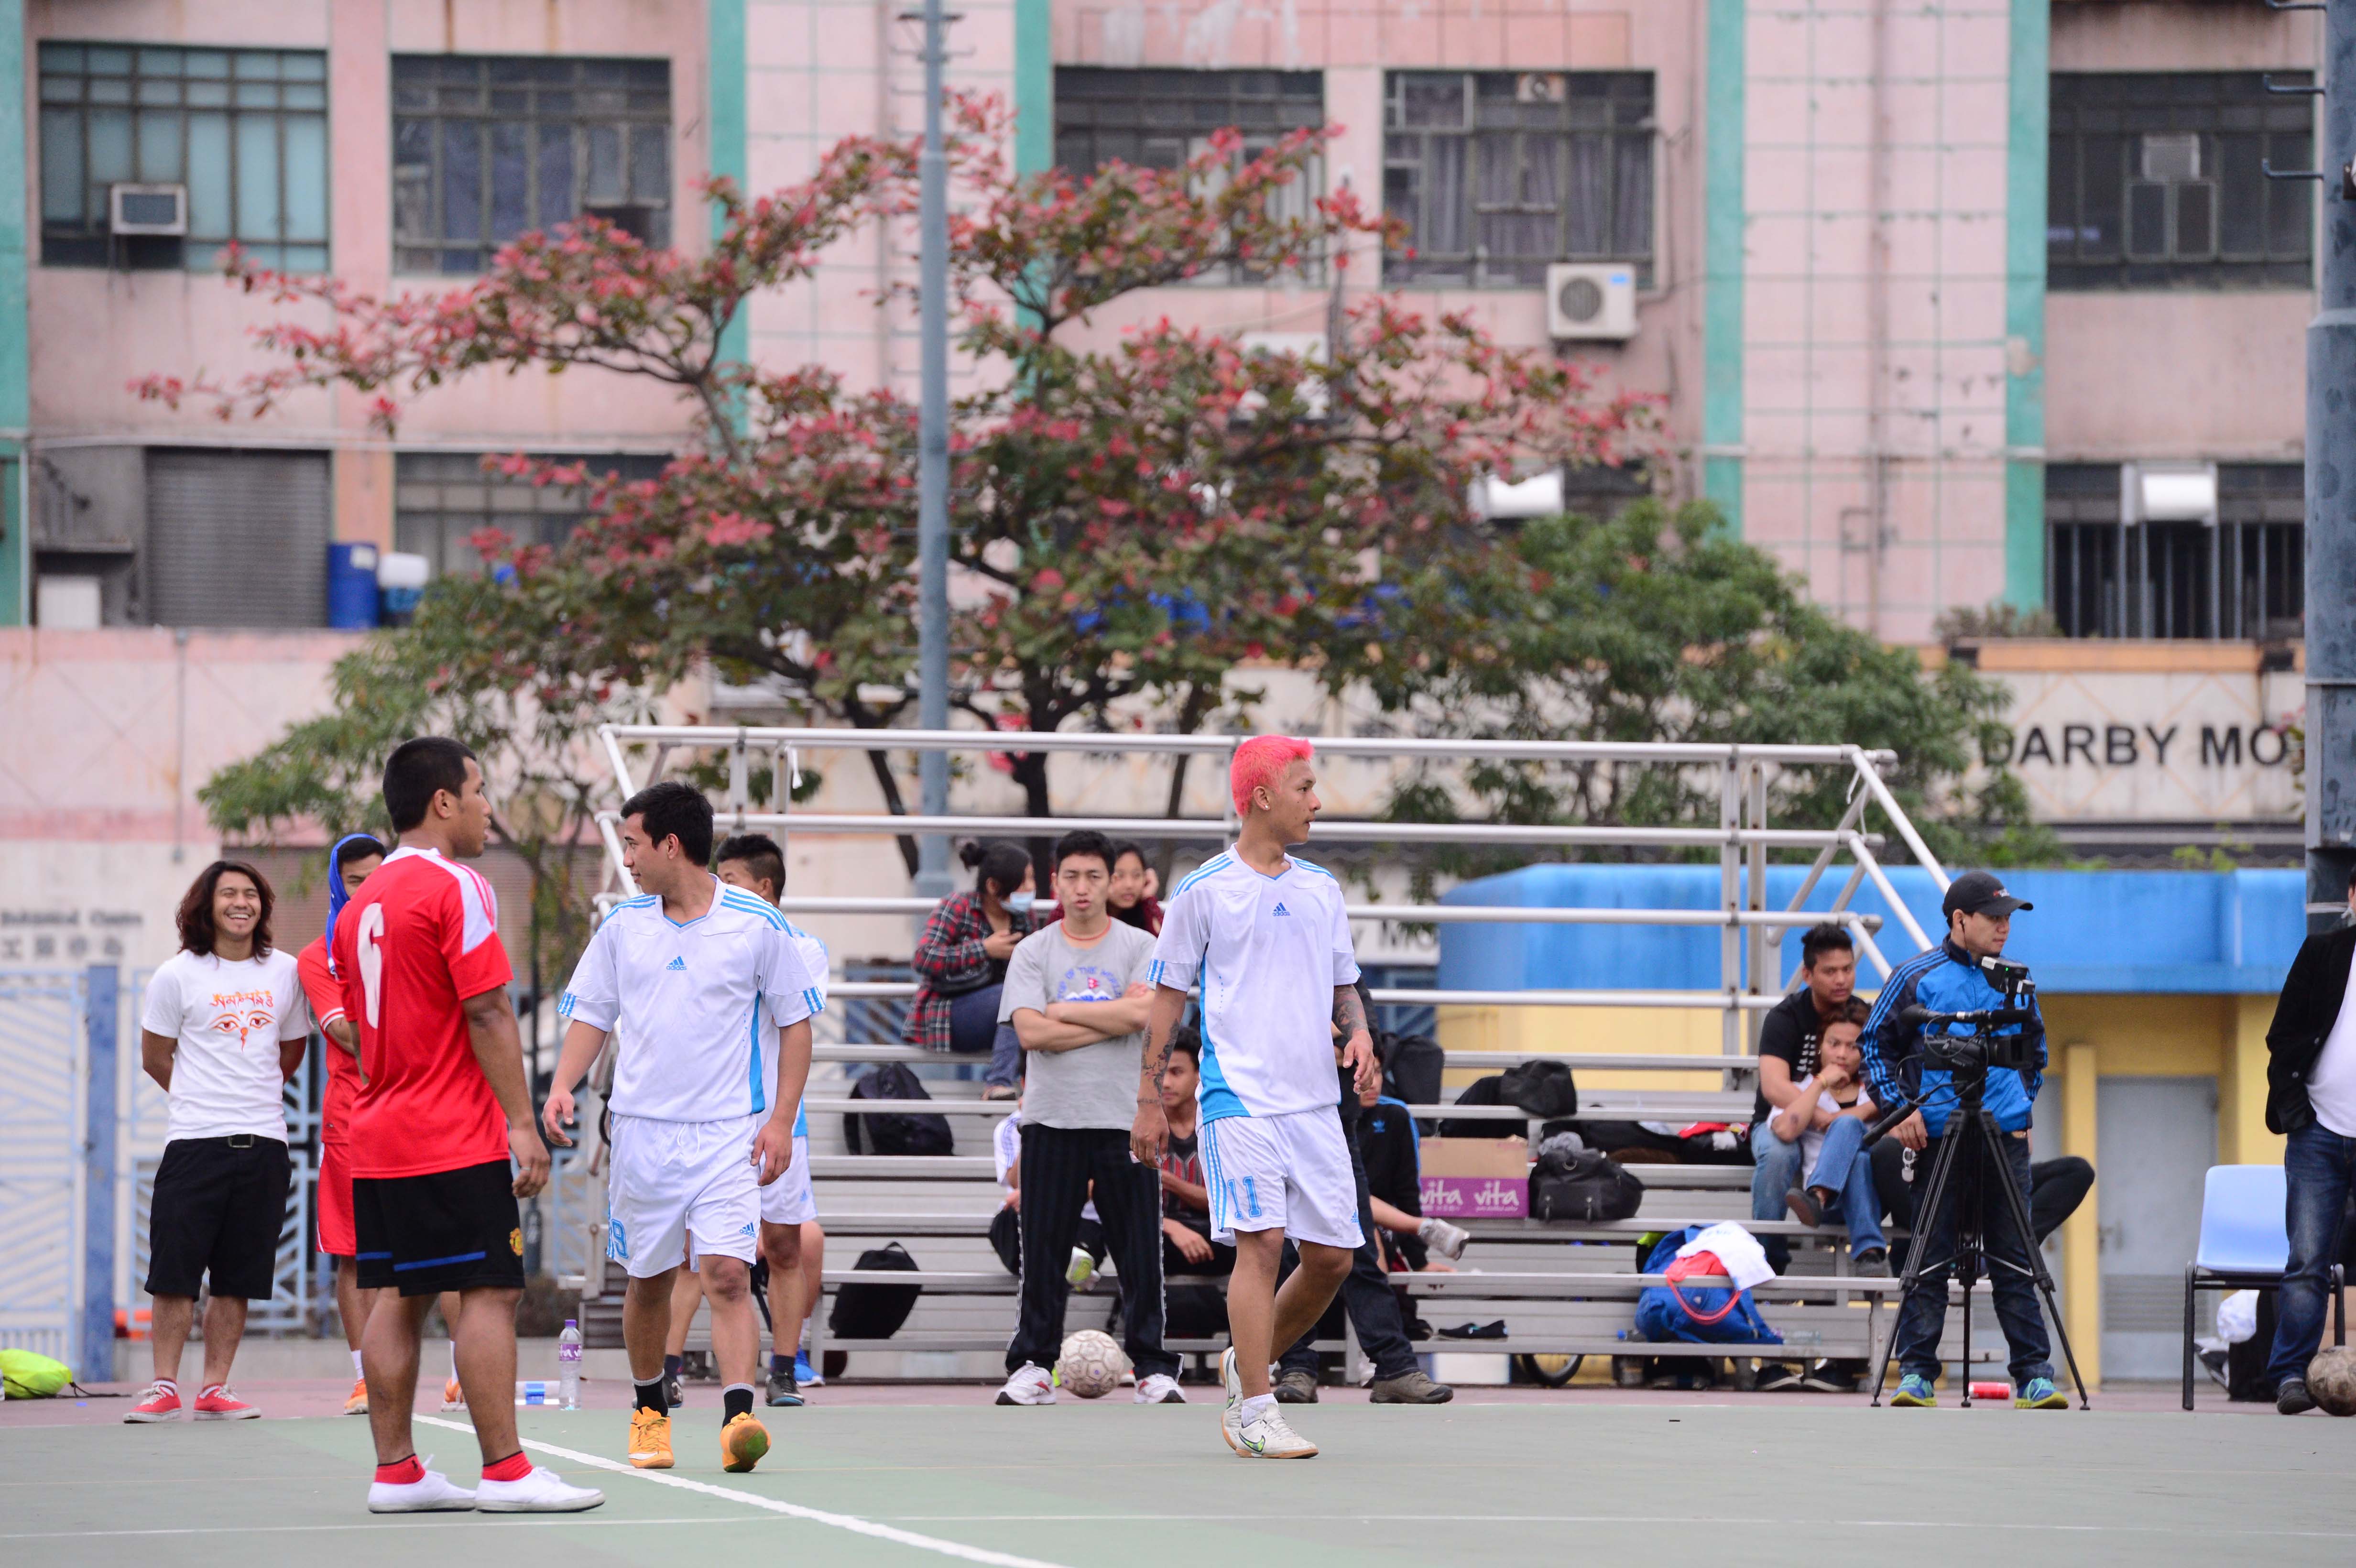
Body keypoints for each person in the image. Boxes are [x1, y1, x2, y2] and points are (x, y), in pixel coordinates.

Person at [336, 737, 598, 1513]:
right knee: (488, 1292)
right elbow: (486, 1009)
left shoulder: (359, 906)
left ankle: (396, 1474)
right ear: (443, 801)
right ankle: (506, 1472)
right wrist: (521, 1123)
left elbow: (360, 1029)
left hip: (378, 1130)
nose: (488, 806)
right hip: (449, 1130)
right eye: (480, 790)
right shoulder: (457, 885)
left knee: (399, 1294)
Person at [544, 781, 819, 1474]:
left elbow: (796, 1024)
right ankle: (649, 1413)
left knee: (727, 1274)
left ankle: (737, 1423)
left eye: (633, 844)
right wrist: (562, 1085)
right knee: (649, 1282)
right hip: (642, 1134)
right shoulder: (623, 926)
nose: (627, 859)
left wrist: (781, 1121)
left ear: (671, 845)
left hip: (729, 1134)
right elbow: (593, 1015)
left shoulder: (758, 924)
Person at [1134, 735, 1377, 1459]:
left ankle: (1246, 1361)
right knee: (1262, 1243)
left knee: (1333, 1258)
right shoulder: (1204, 889)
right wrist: (1148, 1100)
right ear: (1263, 797)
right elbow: (1166, 998)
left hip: (1314, 1102)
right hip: (1235, 1097)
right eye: (1305, 787)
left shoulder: (1320, 888)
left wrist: (1361, 1036)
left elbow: (1342, 983)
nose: (1317, 801)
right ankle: (1255, 1408)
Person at [1858, 871, 2065, 1411]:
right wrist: (1901, 1109)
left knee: (2015, 1256)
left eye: (2007, 918)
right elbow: (1873, 1045)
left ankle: (2035, 1378)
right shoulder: (1914, 975)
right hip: (1939, 1135)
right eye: (1993, 917)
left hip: (2003, 1136)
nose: (2004, 927)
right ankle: (1916, 1377)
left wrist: (2019, 1105)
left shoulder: (2016, 978)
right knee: (1928, 1252)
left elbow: (2035, 1051)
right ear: (1959, 920)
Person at [995, 829, 1184, 1406]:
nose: (1082, 888)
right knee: (1044, 1251)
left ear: (1112, 882)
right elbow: (1030, 1032)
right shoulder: (1033, 950)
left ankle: (1152, 1367)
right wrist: (1112, 1015)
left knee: (1139, 1250)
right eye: (1072, 876)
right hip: (1050, 1118)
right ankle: (1033, 1364)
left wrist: (1061, 1011)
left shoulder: (1139, 945)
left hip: (1124, 1117)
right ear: (1056, 882)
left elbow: (1147, 1015)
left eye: (1094, 877)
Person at [125, 860, 310, 1424]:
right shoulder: (176, 975)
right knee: (174, 1273)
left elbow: (291, 1050)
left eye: (251, 894)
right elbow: (156, 1057)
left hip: (265, 1145)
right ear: (206, 905)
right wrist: (203, 1096)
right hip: (194, 1143)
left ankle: (214, 1388)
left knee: (239, 1276)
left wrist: (252, 1094)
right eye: (228, 893)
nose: (241, 903)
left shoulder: (286, 971)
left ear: (263, 907)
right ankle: (163, 1387)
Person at [296, 834, 468, 1419]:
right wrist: (416, 1027)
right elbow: (347, 1033)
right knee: (356, 1255)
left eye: (376, 877)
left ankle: (463, 1376)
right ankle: (364, 1379)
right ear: (337, 885)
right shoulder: (319, 956)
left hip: (433, 1114)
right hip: (355, 1120)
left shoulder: (421, 935)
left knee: (454, 1250)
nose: (367, 889)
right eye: (355, 880)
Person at [714, 830, 833, 1406]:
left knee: (785, 1246)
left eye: (730, 881)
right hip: (713, 1117)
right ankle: (665, 1372)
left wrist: (782, 1119)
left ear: (764, 887)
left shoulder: (803, 948)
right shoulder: (708, 941)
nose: (720, 892)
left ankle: (784, 1368)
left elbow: (788, 1016)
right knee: (703, 1257)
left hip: (780, 1121)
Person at [2258, 863, 2356, 1415]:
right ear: (2350, 896)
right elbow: (2283, 1034)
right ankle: (2289, 1376)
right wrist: (2296, 1112)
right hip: (2318, 1131)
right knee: (2306, 1260)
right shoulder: (2322, 953)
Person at [1750, 923, 1858, 1267]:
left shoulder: (1861, 1017)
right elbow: (1774, 1087)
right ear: (1808, 975)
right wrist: (1822, 1116)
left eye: (1848, 969)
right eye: (1830, 972)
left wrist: (1842, 1120)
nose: (1841, 979)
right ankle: (1767, 1260)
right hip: (1781, 1121)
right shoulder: (1785, 1018)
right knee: (1778, 1154)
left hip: (1842, 1124)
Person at [906, 840, 1035, 1099]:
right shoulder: (958, 906)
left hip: (1005, 1021)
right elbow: (924, 957)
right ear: (993, 886)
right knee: (1014, 994)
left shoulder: (1024, 918)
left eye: (1032, 879)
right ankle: (997, 1084)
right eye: (1023, 882)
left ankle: (1035, 1090)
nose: (1031, 888)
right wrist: (984, 950)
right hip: (950, 1015)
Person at [1767, 1002, 1889, 1271]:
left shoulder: (1877, 1090)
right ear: (1821, 1044)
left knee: (1854, 1141)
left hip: (1872, 1200)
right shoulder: (1800, 1090)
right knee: (1854, 1149)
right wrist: (1820, 1083)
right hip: (1829, 1211)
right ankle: (1870, 1254)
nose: (1842, 1054)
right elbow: (1785, 1130)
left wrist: (1855, 1114)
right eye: (1834, 1044)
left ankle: (1818, 1195)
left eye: (1853, 1047)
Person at [1157, 1034, 1232, 1277]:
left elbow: (1227, 1202)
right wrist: (1172, 1227)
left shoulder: (1220, 1128)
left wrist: (1170, 1182)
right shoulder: (1143, 1130)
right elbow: (1120, 1203)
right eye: (1161, 1073)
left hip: (1217, 1235)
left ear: (1199, 1074)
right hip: (1157, 1234)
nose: (1166, 1083)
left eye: (1177, 1072)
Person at [1108, 841, 1164, 935]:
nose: (1129, 885)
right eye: (1120, 876)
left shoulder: (1145, 912)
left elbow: (1163, 939)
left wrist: (1148, 899)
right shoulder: (1089, 915)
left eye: (1137, 875)